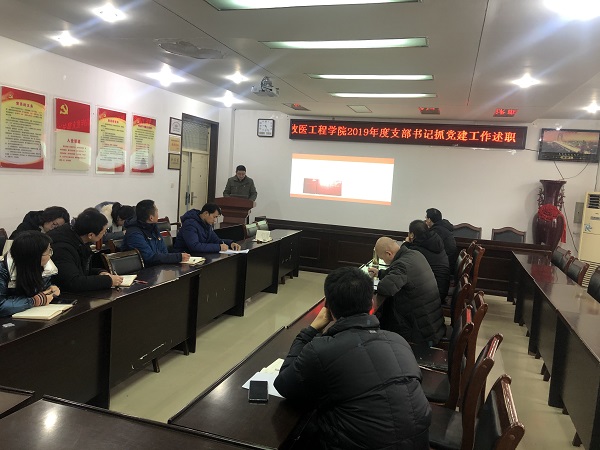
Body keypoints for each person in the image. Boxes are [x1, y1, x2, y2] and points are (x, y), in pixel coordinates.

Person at [274, 267, 431, 450]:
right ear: (371, 302)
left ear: (327, 306)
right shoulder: (399, 341)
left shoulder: (321, 350)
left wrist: (309, 332)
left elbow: (284, 384)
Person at [368, 237, 445, 346]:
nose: (384, 261)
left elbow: (385, 288)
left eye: (382, 258)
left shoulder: (401, 265)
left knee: (382, 324)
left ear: (389, 254)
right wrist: (380, 273)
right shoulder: (414, 254)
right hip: (431, 323)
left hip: (421, 331)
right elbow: (399, 274)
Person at [48, 208, 122, 292]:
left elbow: (81, 271)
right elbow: (73, 282)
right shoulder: (62, 248)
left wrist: (100, 272)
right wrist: (108, 281)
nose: (104, 234)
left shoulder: (80, 240)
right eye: (103, 232)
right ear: (91, 235)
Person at [0, 231, 61, 317]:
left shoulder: (43, 267)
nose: (50, 255)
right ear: (34, 256)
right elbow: (1, 306)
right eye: (48, 252)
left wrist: (50, 288)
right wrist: (34, 301)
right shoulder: (3, 270)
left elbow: (38, 290)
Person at [122, 200, 190, 266]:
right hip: (144, 270)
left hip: (157, 266)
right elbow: (149, 258)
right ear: (151, 218)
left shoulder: (153, 227)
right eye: (157, 211)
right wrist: (178, 257)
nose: (158, 214)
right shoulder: (134, 234)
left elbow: (163, 251)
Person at [405, 219, 451, 300]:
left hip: (435, 295)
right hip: (441, 288)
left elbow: (403, 258)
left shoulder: (418, 249)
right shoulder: (434, 240)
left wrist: (406, 243)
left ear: (411, 235)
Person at [174, 203, 241, 254]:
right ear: (206, 213)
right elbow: (194, 246)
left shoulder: (206, 224)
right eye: (214, 217)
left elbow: (216, 240)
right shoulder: (190, 224)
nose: (215, 220)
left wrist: (230, 243)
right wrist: (219, 247)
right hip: (184, 256)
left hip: (197, 256)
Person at [425, 208, 458, 277]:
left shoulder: (437, 231)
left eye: (426, 218)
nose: (425, 220)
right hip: (448, 263)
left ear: (429, 219)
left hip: (444, 269)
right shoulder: (442, 227)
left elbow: (429, 248)